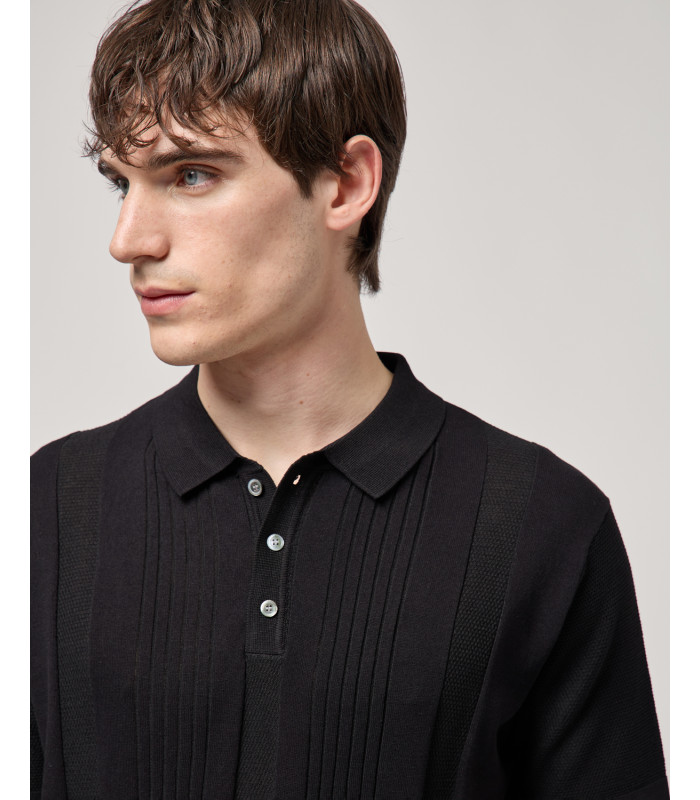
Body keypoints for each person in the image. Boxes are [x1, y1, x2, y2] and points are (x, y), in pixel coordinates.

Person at [30, 0, 669, 797]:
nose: (128, 240)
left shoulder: (545, 526)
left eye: (191, 174)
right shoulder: (44, 512)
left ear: (347, 184)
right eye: (121, 183)